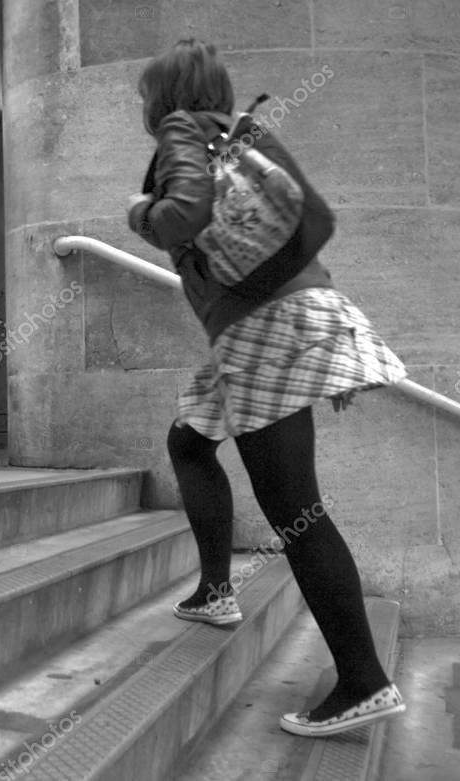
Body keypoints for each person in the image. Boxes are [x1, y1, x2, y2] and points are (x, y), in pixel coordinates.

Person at [126, 38, 407, 737]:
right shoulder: (242, 134)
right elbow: (302, 227)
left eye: (146, 95)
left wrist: (139, 213)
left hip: (259, 332)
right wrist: (323, 348)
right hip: (286, 320)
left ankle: (363, 681)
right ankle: (216, 590)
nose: (144, 106)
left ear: (166, 97)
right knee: (189, 440)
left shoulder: (181, 130)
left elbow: (182, 215)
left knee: (295, 510)